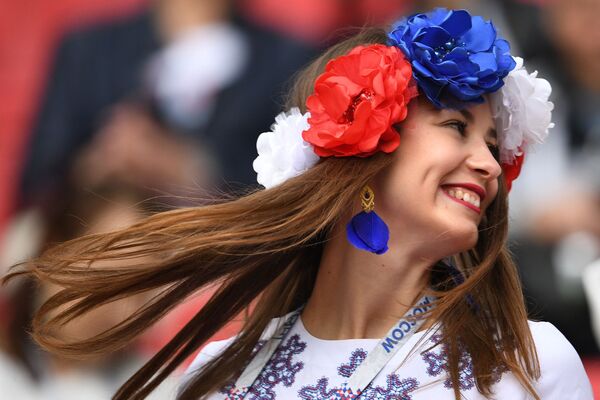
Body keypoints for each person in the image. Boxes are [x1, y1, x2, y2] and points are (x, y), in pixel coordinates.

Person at [5, 8, 593, 400]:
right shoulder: (218, 374)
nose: (490, 165)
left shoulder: (527, 364)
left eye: (494, 146)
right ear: (369, 146)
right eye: (456, 126)